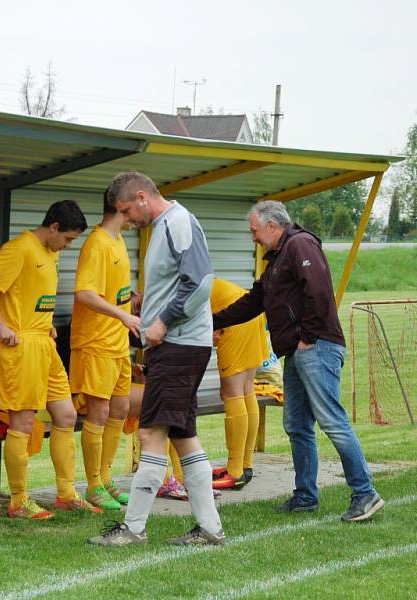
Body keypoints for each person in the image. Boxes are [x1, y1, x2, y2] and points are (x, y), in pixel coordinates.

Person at [212, 200, 384, 521]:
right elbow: (253, 302)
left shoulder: (300, 244)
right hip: (297, 351)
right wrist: (214, 321)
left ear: (272, 226)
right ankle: (305, 495)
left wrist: (307, 338)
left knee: (332, 420)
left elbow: (319, 293)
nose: (254, 238)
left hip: (316, 348)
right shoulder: (276, 259)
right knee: (297, 426)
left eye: (255, 231)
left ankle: (365, 493)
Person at [88, 171, 225, 547]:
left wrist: (162, 321)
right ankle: (210, 529)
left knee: (150, 432)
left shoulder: (177, 222)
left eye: (127, 211)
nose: (127, 220)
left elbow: (200, 281)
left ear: (142, 197)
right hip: (181, 345)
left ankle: (133, 529)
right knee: (184, 436)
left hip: (178, 345)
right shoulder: (168, 224)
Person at [0, 200, 99, 519]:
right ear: (54, 227)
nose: (68, 246)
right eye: (68, 239)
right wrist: (1, 325)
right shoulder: (19, 248)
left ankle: (66, 494)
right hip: (19, 347)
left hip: (44, 344)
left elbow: (35, 296)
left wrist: (46, 325)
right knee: (22, 422)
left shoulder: (51, 252)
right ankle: (19, 500)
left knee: (67, 414)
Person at [69, 190, 141, 510]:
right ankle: (93, 485)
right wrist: (123, 314)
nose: (141, 212)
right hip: (96, 342)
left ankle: (107, 478)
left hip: (117, 342)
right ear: (122, 207)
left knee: (121, 409)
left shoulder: (119, 241)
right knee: (97, 412)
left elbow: (112, 291)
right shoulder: (97, 244)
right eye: (136, 205)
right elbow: (85, 293)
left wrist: (129, 302)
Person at [210, 278, 267, 490]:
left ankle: (234, 471)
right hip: (250, 313)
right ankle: (245, 465)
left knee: (232, 393)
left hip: (235, 317)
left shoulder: (171, 286)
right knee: (246, 390)